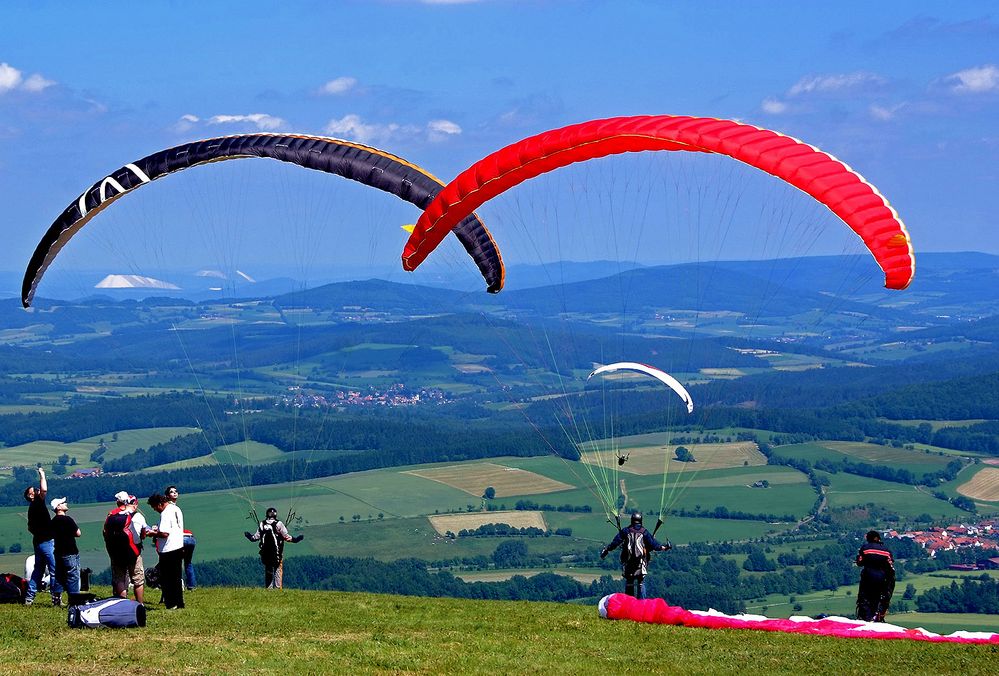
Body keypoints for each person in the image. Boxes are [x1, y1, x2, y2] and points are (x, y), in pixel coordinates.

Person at [600, 512, 670, 599]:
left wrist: (607, 550)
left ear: (632, 520)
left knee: (629, 582)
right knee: (641, 582)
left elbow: (615, 543)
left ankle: (629, 604)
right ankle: (641, 605)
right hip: (640, 564)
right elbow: (654, 545)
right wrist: (664, 547)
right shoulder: (644, 532)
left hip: (628, 563)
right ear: (641, 521)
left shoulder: (626, 531)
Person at [23, 467, 63, 606]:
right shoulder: (38, 503)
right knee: (54, 570)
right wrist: (42, 475)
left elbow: (29, 528)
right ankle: (56, 599)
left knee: (38, 570)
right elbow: (44, 489)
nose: (37, 490)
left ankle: (29, 598)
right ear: (31, 496)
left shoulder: (31, 509)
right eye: (34, 490)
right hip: (46, 541)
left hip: (38, 542)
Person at [245, 507, 304, 589]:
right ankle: (277, 588)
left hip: (265, 554)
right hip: (277, 554)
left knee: (268, 569)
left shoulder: (262, 524)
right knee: (278, 569)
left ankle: (269, 589)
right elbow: (286, 537)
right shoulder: (279, 524)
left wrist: (248, 535)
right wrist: (296, 539)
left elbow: (254, 538)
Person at [105, 491, 147, 605]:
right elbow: (142, 534)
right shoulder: (134, 515)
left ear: (117, 502)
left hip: (116, 552)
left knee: (120, 578)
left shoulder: (111, 515)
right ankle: (140, 604)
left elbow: (105, 532)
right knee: (137, 578)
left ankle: (122, 604)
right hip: (133, 551)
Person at [147, 492, 185, 609]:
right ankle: (179, 602)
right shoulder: (176, 508)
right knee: (177, 577)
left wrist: (153, 533)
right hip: (179, 546)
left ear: (160, 504)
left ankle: (170, 603)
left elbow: (164, 533)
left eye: (155, 507)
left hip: (168, 549)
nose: (155, 510)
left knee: (166, 578)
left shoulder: (165, 513)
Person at [856, 530, 895, 622]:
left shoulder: (865, 548)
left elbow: (860, 563)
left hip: (868, 578)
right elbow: (890, 565)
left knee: (864, 598)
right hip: (882, 579)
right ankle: (879, 616)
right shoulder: (886, 550)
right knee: (881, 598)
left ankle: (865, 617)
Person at [50, 497, 81, 604]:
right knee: (73, 575)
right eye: (63, 503)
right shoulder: (68, 520)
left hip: (58, 551)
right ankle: (74, 600)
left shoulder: (53, 521)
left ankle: (56, 598)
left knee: (59, 575)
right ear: (58, 507)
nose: (66, 503)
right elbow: (78, 533)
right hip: (70, 551)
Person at [165, 485, 196, 590]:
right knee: (188, 562)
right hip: (189, 538)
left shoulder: (168, 509)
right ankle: (191, 586)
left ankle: (177, 585)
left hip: (179, 538)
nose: (175, 493)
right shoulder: (176, 508)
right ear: (168, 495)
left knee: (175, 562)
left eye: (176, 491)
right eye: (172, 492)